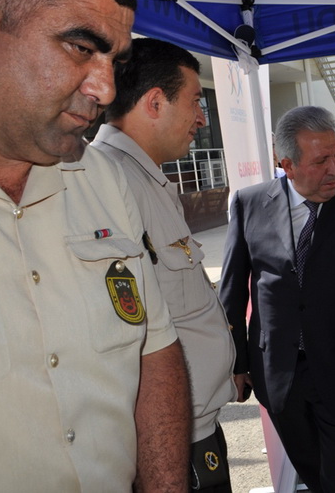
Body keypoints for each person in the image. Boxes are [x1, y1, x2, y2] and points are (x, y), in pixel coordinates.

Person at [0, 0, 191, 491]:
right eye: (81, 48)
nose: (107, 89)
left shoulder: (104, 181)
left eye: (115, 59)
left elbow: (155, 350)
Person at [219, 105, 335, 492]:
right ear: (286, 164)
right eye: (321, 161)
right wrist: (236, 361)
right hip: (278, 374)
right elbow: (233, 290)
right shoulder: (248, 204)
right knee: (312, 472)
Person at [91, 37, 238, 492]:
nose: (201, 118)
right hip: (169, 444)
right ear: (155, 102)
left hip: (195, 427)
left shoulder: (145, 177)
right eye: (196, 101)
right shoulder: (107, 183)